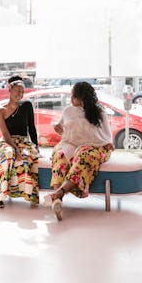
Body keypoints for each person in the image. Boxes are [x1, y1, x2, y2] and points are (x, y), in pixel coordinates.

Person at [43, 81, 114, 220]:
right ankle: (57, 201)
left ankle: (58, 193)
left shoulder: (99, 112)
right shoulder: (68, 111)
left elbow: (105, 135)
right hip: (70, 144)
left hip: (97, 147)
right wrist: (58, 128)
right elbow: (65, 131)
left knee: (84, 154)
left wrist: (108, 143)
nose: (70, 99)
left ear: (81, 98)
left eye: (73, 96)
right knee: (59, 155)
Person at [0, 75, 39, 208]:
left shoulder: (27, 106)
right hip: (6, 142)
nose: (20, 94)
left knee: (23, 160)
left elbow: (32, 128)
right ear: (10, 91)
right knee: (8, 154)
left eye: (22, 92)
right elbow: (5, 135)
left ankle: (28, 194)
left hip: (24, 142)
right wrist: (15, 149)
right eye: (17, 91)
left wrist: (36, 146)